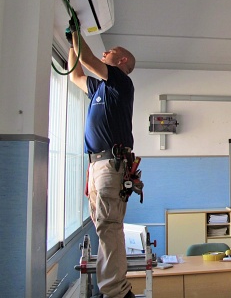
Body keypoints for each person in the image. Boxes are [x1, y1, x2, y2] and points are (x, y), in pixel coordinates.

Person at [67, 20, 136, 298]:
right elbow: (75, 74)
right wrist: (70, 40)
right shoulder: (99, 89)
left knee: (109, 228)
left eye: (108, 51)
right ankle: (116, 291)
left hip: (110, 164)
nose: (104, 53)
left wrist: (76, 34)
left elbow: (87, 57)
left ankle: (116, 293)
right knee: (104, 228)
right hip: (97, 165)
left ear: (120, 60)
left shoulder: (120, 82)